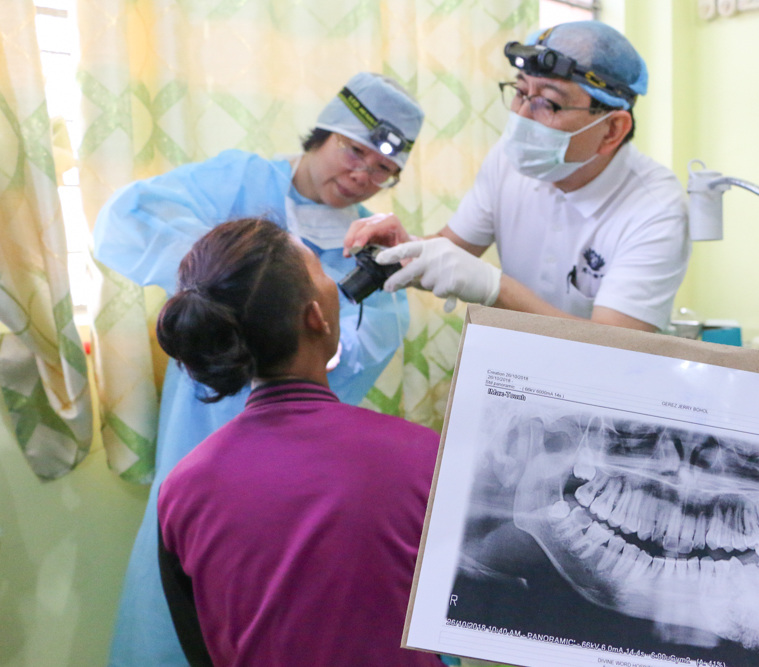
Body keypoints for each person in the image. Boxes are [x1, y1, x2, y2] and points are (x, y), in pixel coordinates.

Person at [94, 72, 424, 666]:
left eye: (382, 170)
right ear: (323, 133)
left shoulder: (371, 245)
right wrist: (231, 284)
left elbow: (365, 342)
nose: (361, 176)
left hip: (299, 453)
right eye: (355, 151)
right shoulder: (240, 181)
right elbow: (125, 220)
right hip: (200, 430)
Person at [153, 217, 442, 666]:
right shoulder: (421, 456)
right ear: (316, 317)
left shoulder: (182, 488)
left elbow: (200, 647)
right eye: (322, 273)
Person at [344, 21, 690, 333]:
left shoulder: (655, 208)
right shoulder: (510, 162)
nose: (522, 116)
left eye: (549, 103)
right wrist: (406, 248)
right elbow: (454, 247)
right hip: (514, 374)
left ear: (612, 129)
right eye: (521, 92)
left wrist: (495, 288)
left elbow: (618, 348)